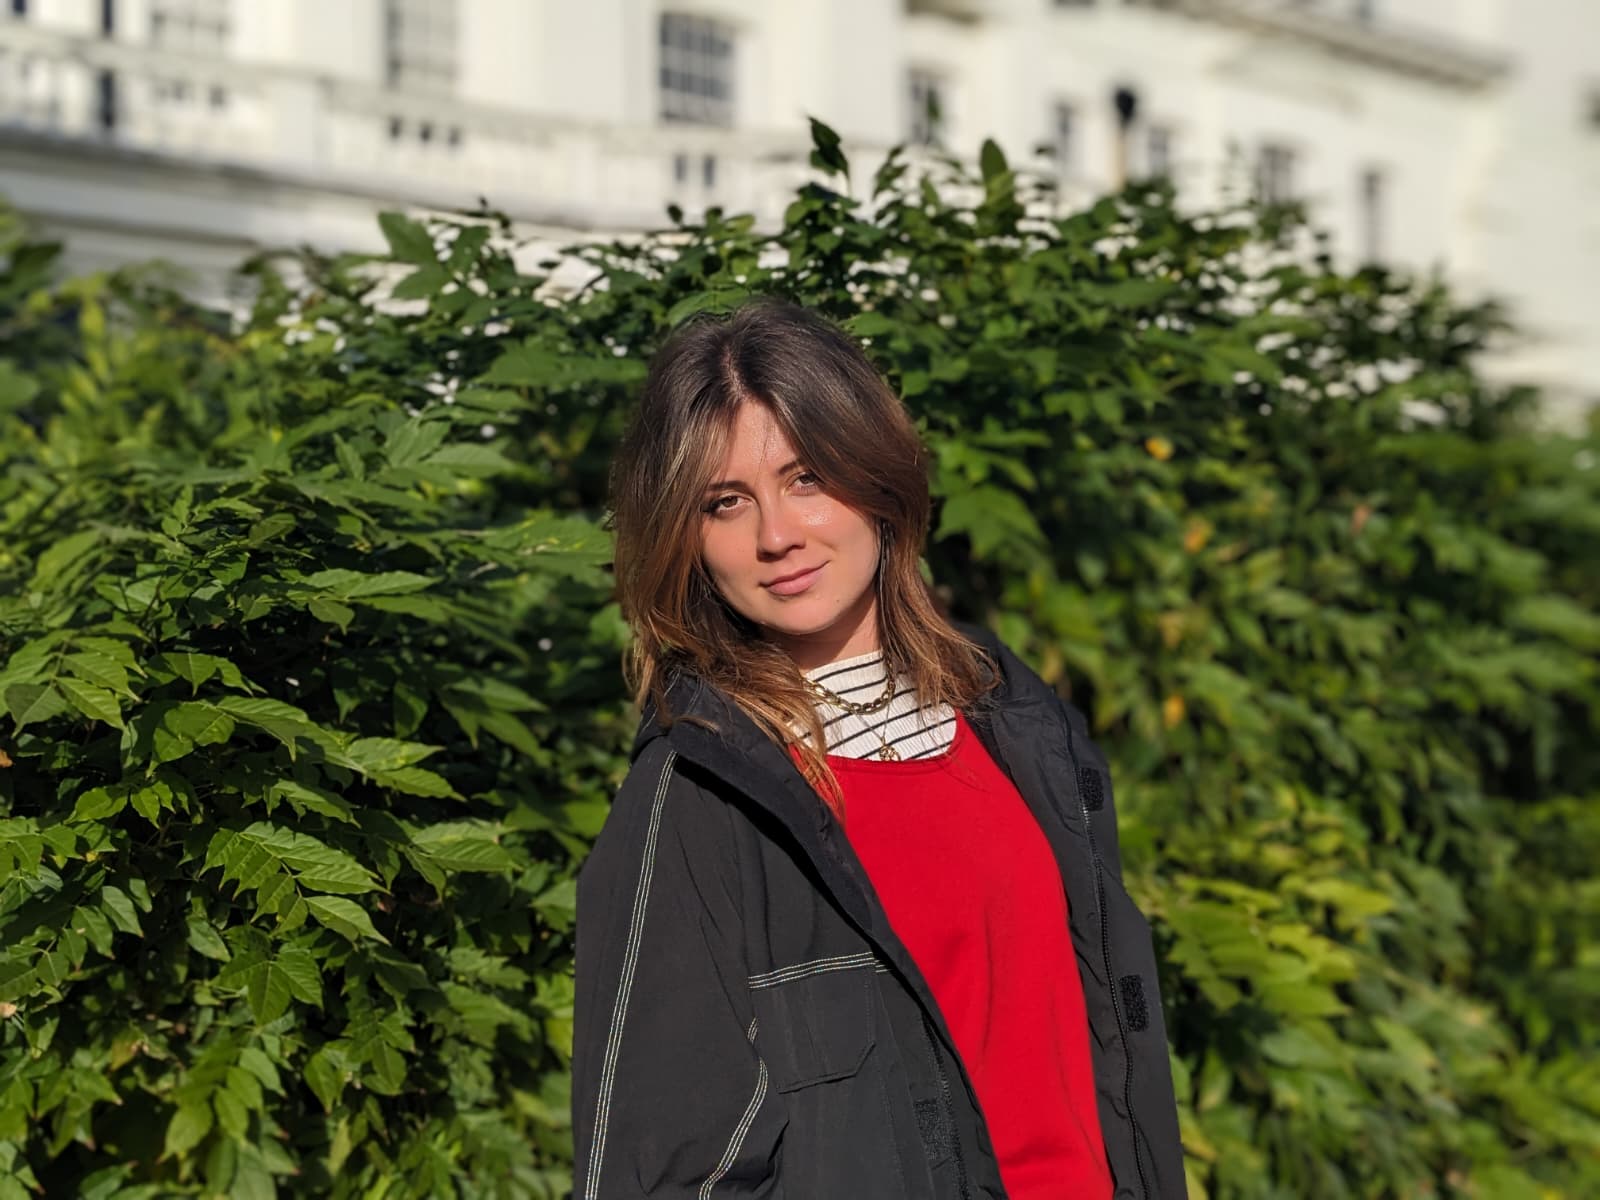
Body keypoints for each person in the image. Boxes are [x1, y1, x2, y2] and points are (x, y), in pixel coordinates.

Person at [571, 297, 1186, 1199]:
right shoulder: (701, 791)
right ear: (688, 539)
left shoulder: (1017, 722)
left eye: (807, 477)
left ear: (878, 475)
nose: (775, 535)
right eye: (726, 503)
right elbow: (661, 1169)